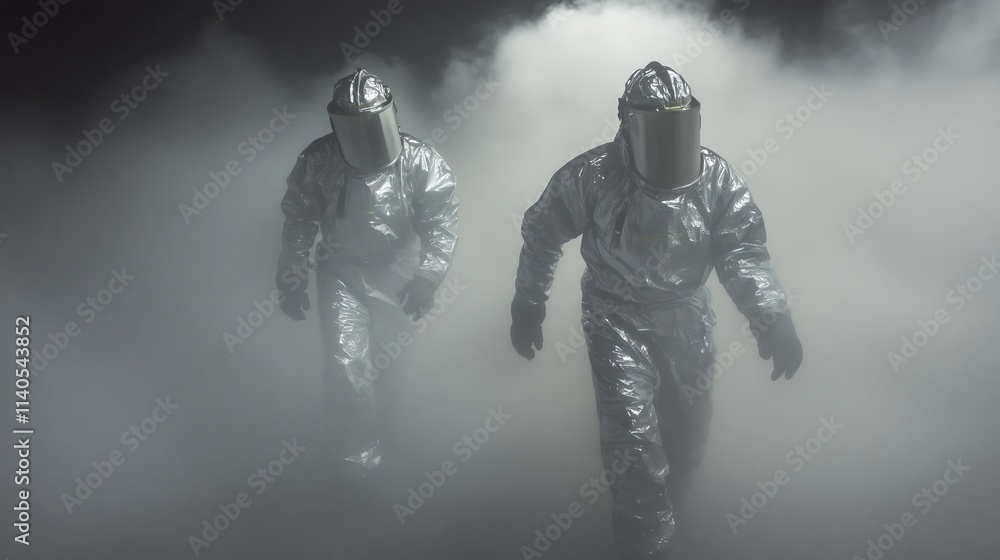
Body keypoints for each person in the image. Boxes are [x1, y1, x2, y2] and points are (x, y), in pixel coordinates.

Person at [509, 61, 802, 559]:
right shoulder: (593, 175)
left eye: (678, 129)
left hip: (686, 314)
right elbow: (542, 232)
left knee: (688, 429)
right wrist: (528, 302)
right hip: (614, 317)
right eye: (656, 131)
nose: (669, 146)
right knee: (632, 440)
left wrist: (770, 315)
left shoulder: (714, 177)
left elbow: (741, 249)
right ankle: (645, 546)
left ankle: (680, 512)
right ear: (627, 122)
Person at [276, 68, 459, 480]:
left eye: (373, 127)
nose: (366, 141)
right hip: (340, 273)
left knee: (390, 366)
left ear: (391, 117)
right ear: (336, 127)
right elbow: (300, 217)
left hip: (399, 273)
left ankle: (395, 444)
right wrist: (291, 271)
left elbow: (441, 225)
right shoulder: (320, 159)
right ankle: (356, 469)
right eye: (354, 130)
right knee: (346, 368)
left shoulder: (421, 162)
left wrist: (428, 277)